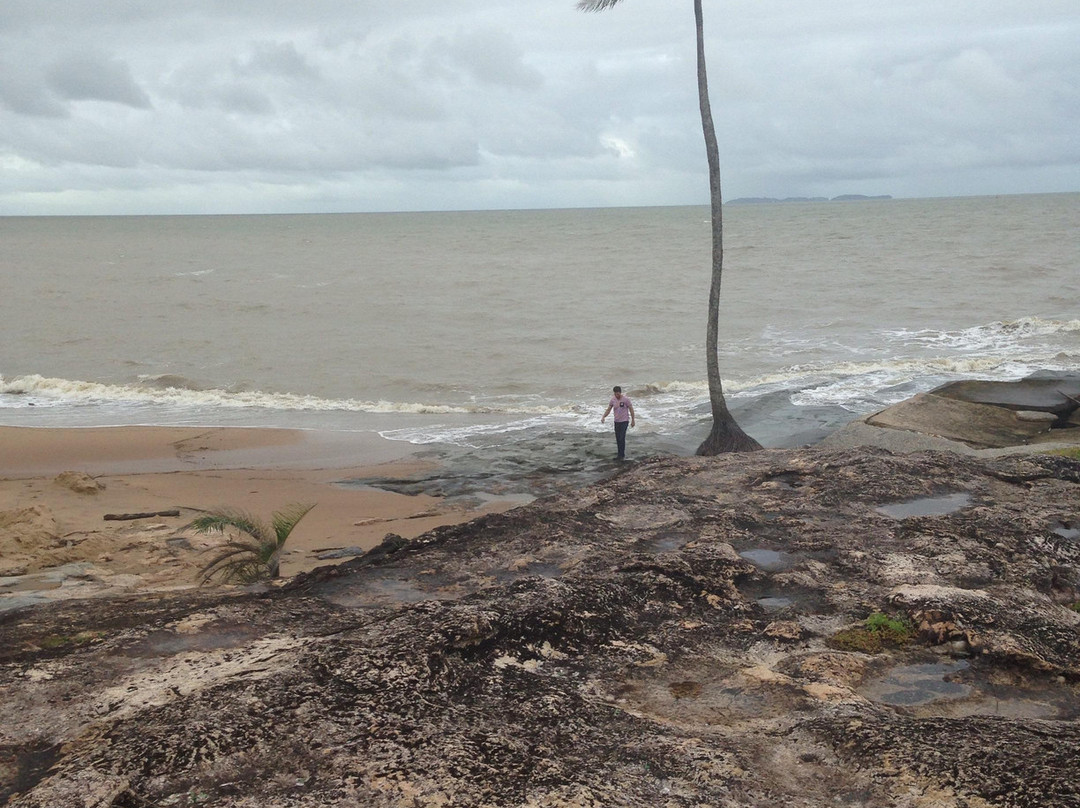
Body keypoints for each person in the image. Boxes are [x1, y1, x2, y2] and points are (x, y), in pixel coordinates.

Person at [601, 385, 635, 459]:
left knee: (621, 438)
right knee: (617, 438)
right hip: (616, 421)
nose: (617, 395)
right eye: (615, 394)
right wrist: (604, 417)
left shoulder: (626, 399)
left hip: (624, 421)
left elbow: (631, 409)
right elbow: (608, 409)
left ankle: (622, 454)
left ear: (620, 392)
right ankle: (619, 454)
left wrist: (633, 420)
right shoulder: (613, 400)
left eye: (618, 394)